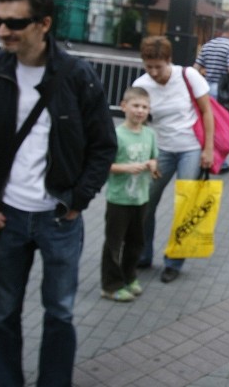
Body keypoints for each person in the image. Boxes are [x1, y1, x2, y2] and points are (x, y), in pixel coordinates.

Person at [0, 0, 117, 387]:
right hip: (6, 216)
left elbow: (103, 145)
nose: (2, 31)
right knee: (2, 315)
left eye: (15, 23)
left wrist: (78, 200)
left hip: (59, 218)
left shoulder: (77, 74)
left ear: (44, 24)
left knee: (60, 312)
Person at [134, 36, 214, 284]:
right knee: (146, 203)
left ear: (169, 60)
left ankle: (174, 262)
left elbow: (206, 111)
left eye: (159, 66)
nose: (154, 72)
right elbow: (141, 123)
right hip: (161, 151)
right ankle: (143, 254)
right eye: (149, 66)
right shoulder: (142, 84)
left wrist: (208, 149)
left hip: (190, 149)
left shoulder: (188, 76)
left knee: (185, 206)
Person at [100, 86, 159, 302]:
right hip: (119, 199)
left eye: (144, 107)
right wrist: (126, 168)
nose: (140, 111)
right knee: (114, 242)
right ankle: (110, 285)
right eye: (135, 105)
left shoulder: (150, 134)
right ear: (124, 106)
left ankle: (129, 276)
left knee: (136, 242)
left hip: (141, 198)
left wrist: (153, 166)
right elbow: (106, 164)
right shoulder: (116, 134)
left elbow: (155, 161)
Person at [194, 18, 229, 173]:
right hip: (221, 92)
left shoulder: (209, 44)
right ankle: (221, 162)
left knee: (206, 125)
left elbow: (195, 68)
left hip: (204, 89)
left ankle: (203, 156)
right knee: (222, 126)